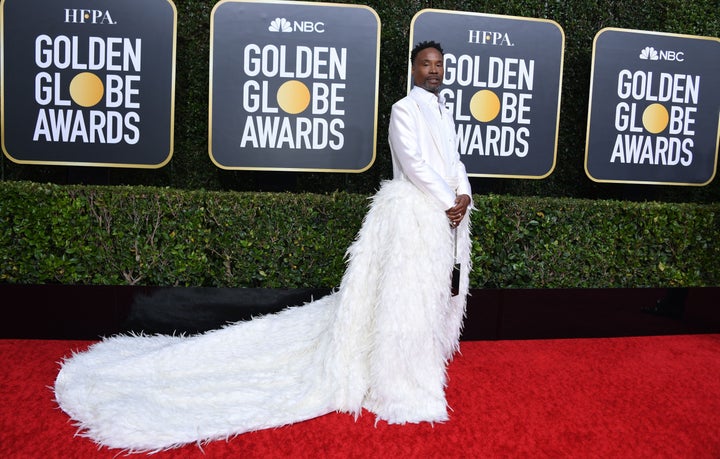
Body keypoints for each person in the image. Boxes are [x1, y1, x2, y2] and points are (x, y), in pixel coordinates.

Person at [53, 40, 473, 454]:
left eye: (438, 64)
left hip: (445, 220)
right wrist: (446, 200)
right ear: (413, 69)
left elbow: (455, 162)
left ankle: (423, 359)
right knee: (402, 302)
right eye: (426, 64)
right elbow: (413, 162)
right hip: (412, 217)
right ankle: (398, 376)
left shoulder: (445, 112)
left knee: (433, 297)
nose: (433, 70)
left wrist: (464, 195)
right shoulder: (403, 110)